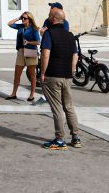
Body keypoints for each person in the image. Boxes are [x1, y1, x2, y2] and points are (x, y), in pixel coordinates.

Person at [39, 8, 82, 149]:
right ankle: (75, 137)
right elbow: (75, 55)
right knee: (68, 106)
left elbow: (45, 54)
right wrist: (72, 69)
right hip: (67, 75)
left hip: (53, 74)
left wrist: (43, 73)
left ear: (52, 19)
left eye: (49, 16)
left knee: (57, 107)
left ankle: (59, 139)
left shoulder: (48, 34)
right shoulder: (70, 35)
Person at [6, 11, 41, 102]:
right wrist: (18, 18)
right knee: (17, 73)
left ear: (29, 19)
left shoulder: (33, 29)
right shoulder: (20, 26)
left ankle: (31, 95)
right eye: (23, 18)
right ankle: (14, 93)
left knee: (31, 74)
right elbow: (9, 24)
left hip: (31, 51)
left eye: (25, 18)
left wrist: (28, 42)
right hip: (21, 51)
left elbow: (38, 42)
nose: (23, 20)